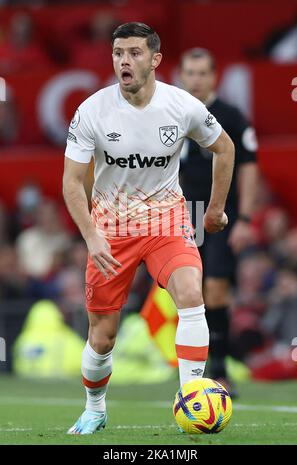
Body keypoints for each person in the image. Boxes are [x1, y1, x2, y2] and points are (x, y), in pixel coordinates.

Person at [63, 23, 234, 435]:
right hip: (111, 230)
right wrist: (91, 235)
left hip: (167, 221)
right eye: (119, 52)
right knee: (102, 338)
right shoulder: (92, 111)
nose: (125, 60)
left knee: (192, 294)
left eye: (135, 53)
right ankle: (95, 407)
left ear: (155, 60)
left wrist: (213, 211)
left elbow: (224, 147)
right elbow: (71, 181)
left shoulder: (182, 106)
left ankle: (192, 400)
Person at [179, 48, 258, 394]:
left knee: (216, 289)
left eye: (202, 73)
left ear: (214, 76)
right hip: (184, 216)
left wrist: (245, 218)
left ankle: (220, 370)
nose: (196, 80)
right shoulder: (172, 112)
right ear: (181, 76)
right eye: (190, 73)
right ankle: (196, 372)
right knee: (190, 293)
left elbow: (249, 167)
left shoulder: (231, 116)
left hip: (221, 214)